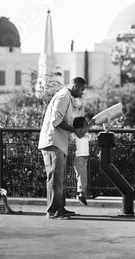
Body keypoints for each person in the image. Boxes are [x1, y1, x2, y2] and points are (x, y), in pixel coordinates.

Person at [38, 77, 88, 219]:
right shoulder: (63, 96)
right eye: (82, 89)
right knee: (55, 178)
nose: (82, 93)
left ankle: (59, 208)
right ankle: (53, 211)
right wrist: (73, 130)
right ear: (76, 86)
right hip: (53, 143)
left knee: (59, 178)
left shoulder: (66, 97)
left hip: (58, 143)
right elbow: (56, 120)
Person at [72, 116, 95, 205]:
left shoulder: (83, 132)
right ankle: (81, 194)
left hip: (83, 159)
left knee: (83, 177)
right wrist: (91, 124)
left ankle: (83, 194)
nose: (87, 123)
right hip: (80, 159)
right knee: (82, 177)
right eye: (85, 122)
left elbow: (85, 131)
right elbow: (82, 132)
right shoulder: (78, 132)